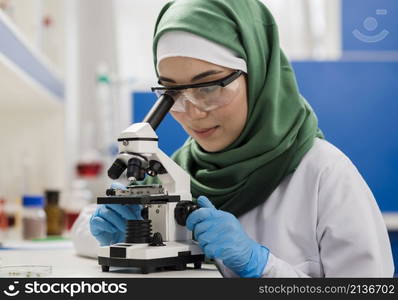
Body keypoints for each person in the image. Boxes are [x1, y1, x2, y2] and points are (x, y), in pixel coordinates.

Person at [72, 0, 394, 277]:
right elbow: (81, 230)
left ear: (257, 75)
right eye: (172, 94)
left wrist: (262, 266)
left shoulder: (325, 176)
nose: (193, 112)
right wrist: (113, 233)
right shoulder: (179, 172)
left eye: (209, 87)